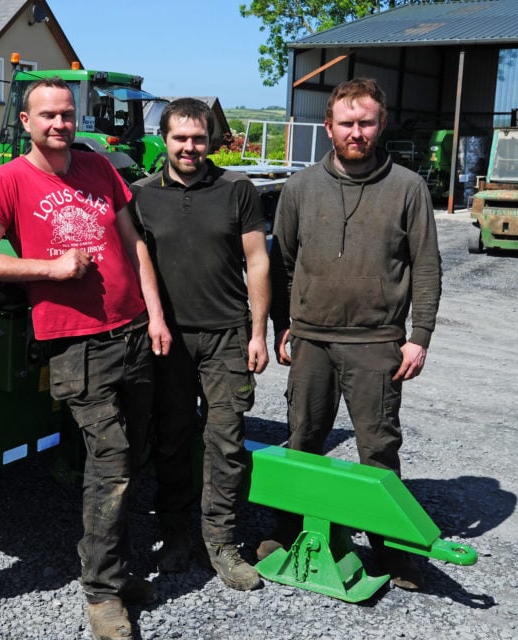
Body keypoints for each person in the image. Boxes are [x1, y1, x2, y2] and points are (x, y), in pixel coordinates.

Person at [0, 76, 170, 640]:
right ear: (25, 122)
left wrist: (156, 315)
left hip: (132, 331)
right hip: (76, 343)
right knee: (113, 460)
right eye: (47, 115)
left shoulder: (98, 166)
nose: (59, 124)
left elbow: (133, 244)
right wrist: (49, 270)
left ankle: (115, 570)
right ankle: (102, 594)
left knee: (132, 455)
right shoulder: (8, 180)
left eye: (67, 115)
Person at [260, 77, 442, 591]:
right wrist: (283, 325)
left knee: (379, 449)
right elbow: (283, 265)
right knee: (302, 442)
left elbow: (425, 266)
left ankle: (395, 550)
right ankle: (289, 529)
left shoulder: (407, 187)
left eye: (365, 122)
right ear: (328, 127)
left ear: (380, 124)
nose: (356, 132)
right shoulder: (299, 188)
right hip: (312, 340)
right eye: (346, 123)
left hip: (377, 342)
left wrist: (419, 335)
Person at [130, 98, 270, 591]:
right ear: (164, 140)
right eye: (180, 138)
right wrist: (151, 321)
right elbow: (134, 267)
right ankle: (174, 534)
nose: (190, 147)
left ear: (212, 140)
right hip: (167, 339)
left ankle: (221, 543)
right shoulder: (141, 196)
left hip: (227, 334)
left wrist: (258, 331)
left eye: (198, 138)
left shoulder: (238, 190)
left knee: (225, 442)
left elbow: (257, 262)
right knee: (169, 438)